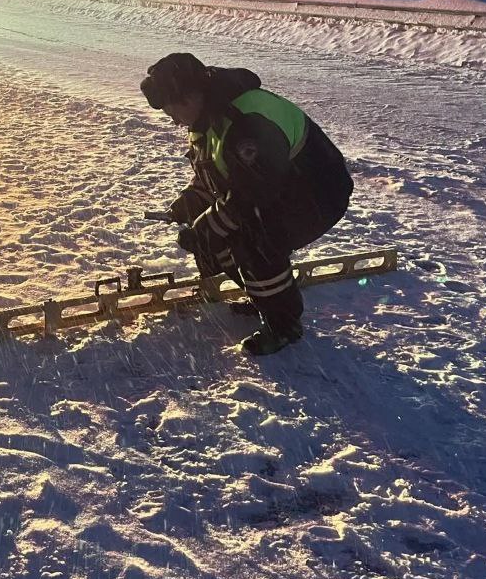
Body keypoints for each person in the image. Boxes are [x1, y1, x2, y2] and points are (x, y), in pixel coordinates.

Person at [140, 52, 353, 355]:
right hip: (279, 188)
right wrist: (189, 205)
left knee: (252, 238)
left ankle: (284, 325)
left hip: (317, 191)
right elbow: (214, 174)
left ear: (189, 97)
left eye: (171, 111)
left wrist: (207, 229)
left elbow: (252, 193)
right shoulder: (206, 119)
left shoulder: (244, 121)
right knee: (222, 232)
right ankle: (264, 296)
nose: (173, 120)